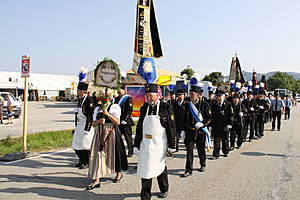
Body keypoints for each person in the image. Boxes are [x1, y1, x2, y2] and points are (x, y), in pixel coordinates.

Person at [133, 83, 176, 200]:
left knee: (159, 167)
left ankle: (164, 188)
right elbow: (139, 128)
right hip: (145, 144)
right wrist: (136, 144)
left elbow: (171, 127)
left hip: (159, 144)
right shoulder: (144, 108)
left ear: (157, 95)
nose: (148, 98)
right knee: (145, 169)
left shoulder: (165, 107)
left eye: (150, 95)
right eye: (147, 95)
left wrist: (172, 145)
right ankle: (145, 196)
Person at [86, 92, 128, 190]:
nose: (101, 101)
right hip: (100, 133)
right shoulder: (97, 109)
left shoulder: (115, 107)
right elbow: (92, 124)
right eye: (100, 99)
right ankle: (97, 179)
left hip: (112, 132)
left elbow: (117, 122)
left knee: (115, 153)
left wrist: (107, 114)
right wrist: (99, 122)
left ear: (108, 99)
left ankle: (118, 173)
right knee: (97, 154)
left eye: (104, 99)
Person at [181, 85, 212, 177]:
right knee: (189, 150)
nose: (190, 95)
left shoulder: (204, 105)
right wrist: (183, 130)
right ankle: (188, 169)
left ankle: (203, 164)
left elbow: (209, 118)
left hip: (200, 131)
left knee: (200, 149)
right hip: (190, 130)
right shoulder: (187, 105)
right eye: (190, 93)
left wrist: (203, 123)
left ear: (198, 95)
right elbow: (184, 118)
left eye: (192, 94)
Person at [72, 82, 95, 169]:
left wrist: (87, 128)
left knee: (85, 146)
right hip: (79, 125)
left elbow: (90, 115)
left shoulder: (89, 99)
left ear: (82, 91)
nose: (77, 91)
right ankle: (81, 159)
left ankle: (86, 162)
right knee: (76, 145)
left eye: (78, 90)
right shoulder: (80, 99)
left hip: (86, 125)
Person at [211, 90, 233, 159]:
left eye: (220, 96)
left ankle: (225, 151)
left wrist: (230, 124)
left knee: (225, 140)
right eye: (217, 96)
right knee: (216, 141)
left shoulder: (228, 104)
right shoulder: (214, 104)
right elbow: (212, 115)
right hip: (216, 125)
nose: (219, 98)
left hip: (225, 125)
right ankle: (215, 154)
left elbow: (231, 115)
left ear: (224, 97)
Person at [114, 84, 134, 157]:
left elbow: (129, 110)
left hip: (126, 121)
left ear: (124, 90)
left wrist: (124, 119)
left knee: (128, 137)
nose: (119, 92)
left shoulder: (128, 98)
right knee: (118, 137)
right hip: (118, 121)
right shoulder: (116, 99)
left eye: (120, 90)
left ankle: (130, 151)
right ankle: (119, 151)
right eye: (118, 90)